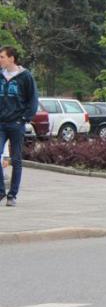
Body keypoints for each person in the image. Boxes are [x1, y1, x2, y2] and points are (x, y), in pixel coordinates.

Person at [0, 45, 39, 207]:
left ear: (11, 58)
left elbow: (33, 99)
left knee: (16, 160)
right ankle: (1, 191)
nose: (0, 60)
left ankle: (12, 195)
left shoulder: (25, 76)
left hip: (17, 124)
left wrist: (24, 118)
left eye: (2, 57)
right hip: (1, 123)